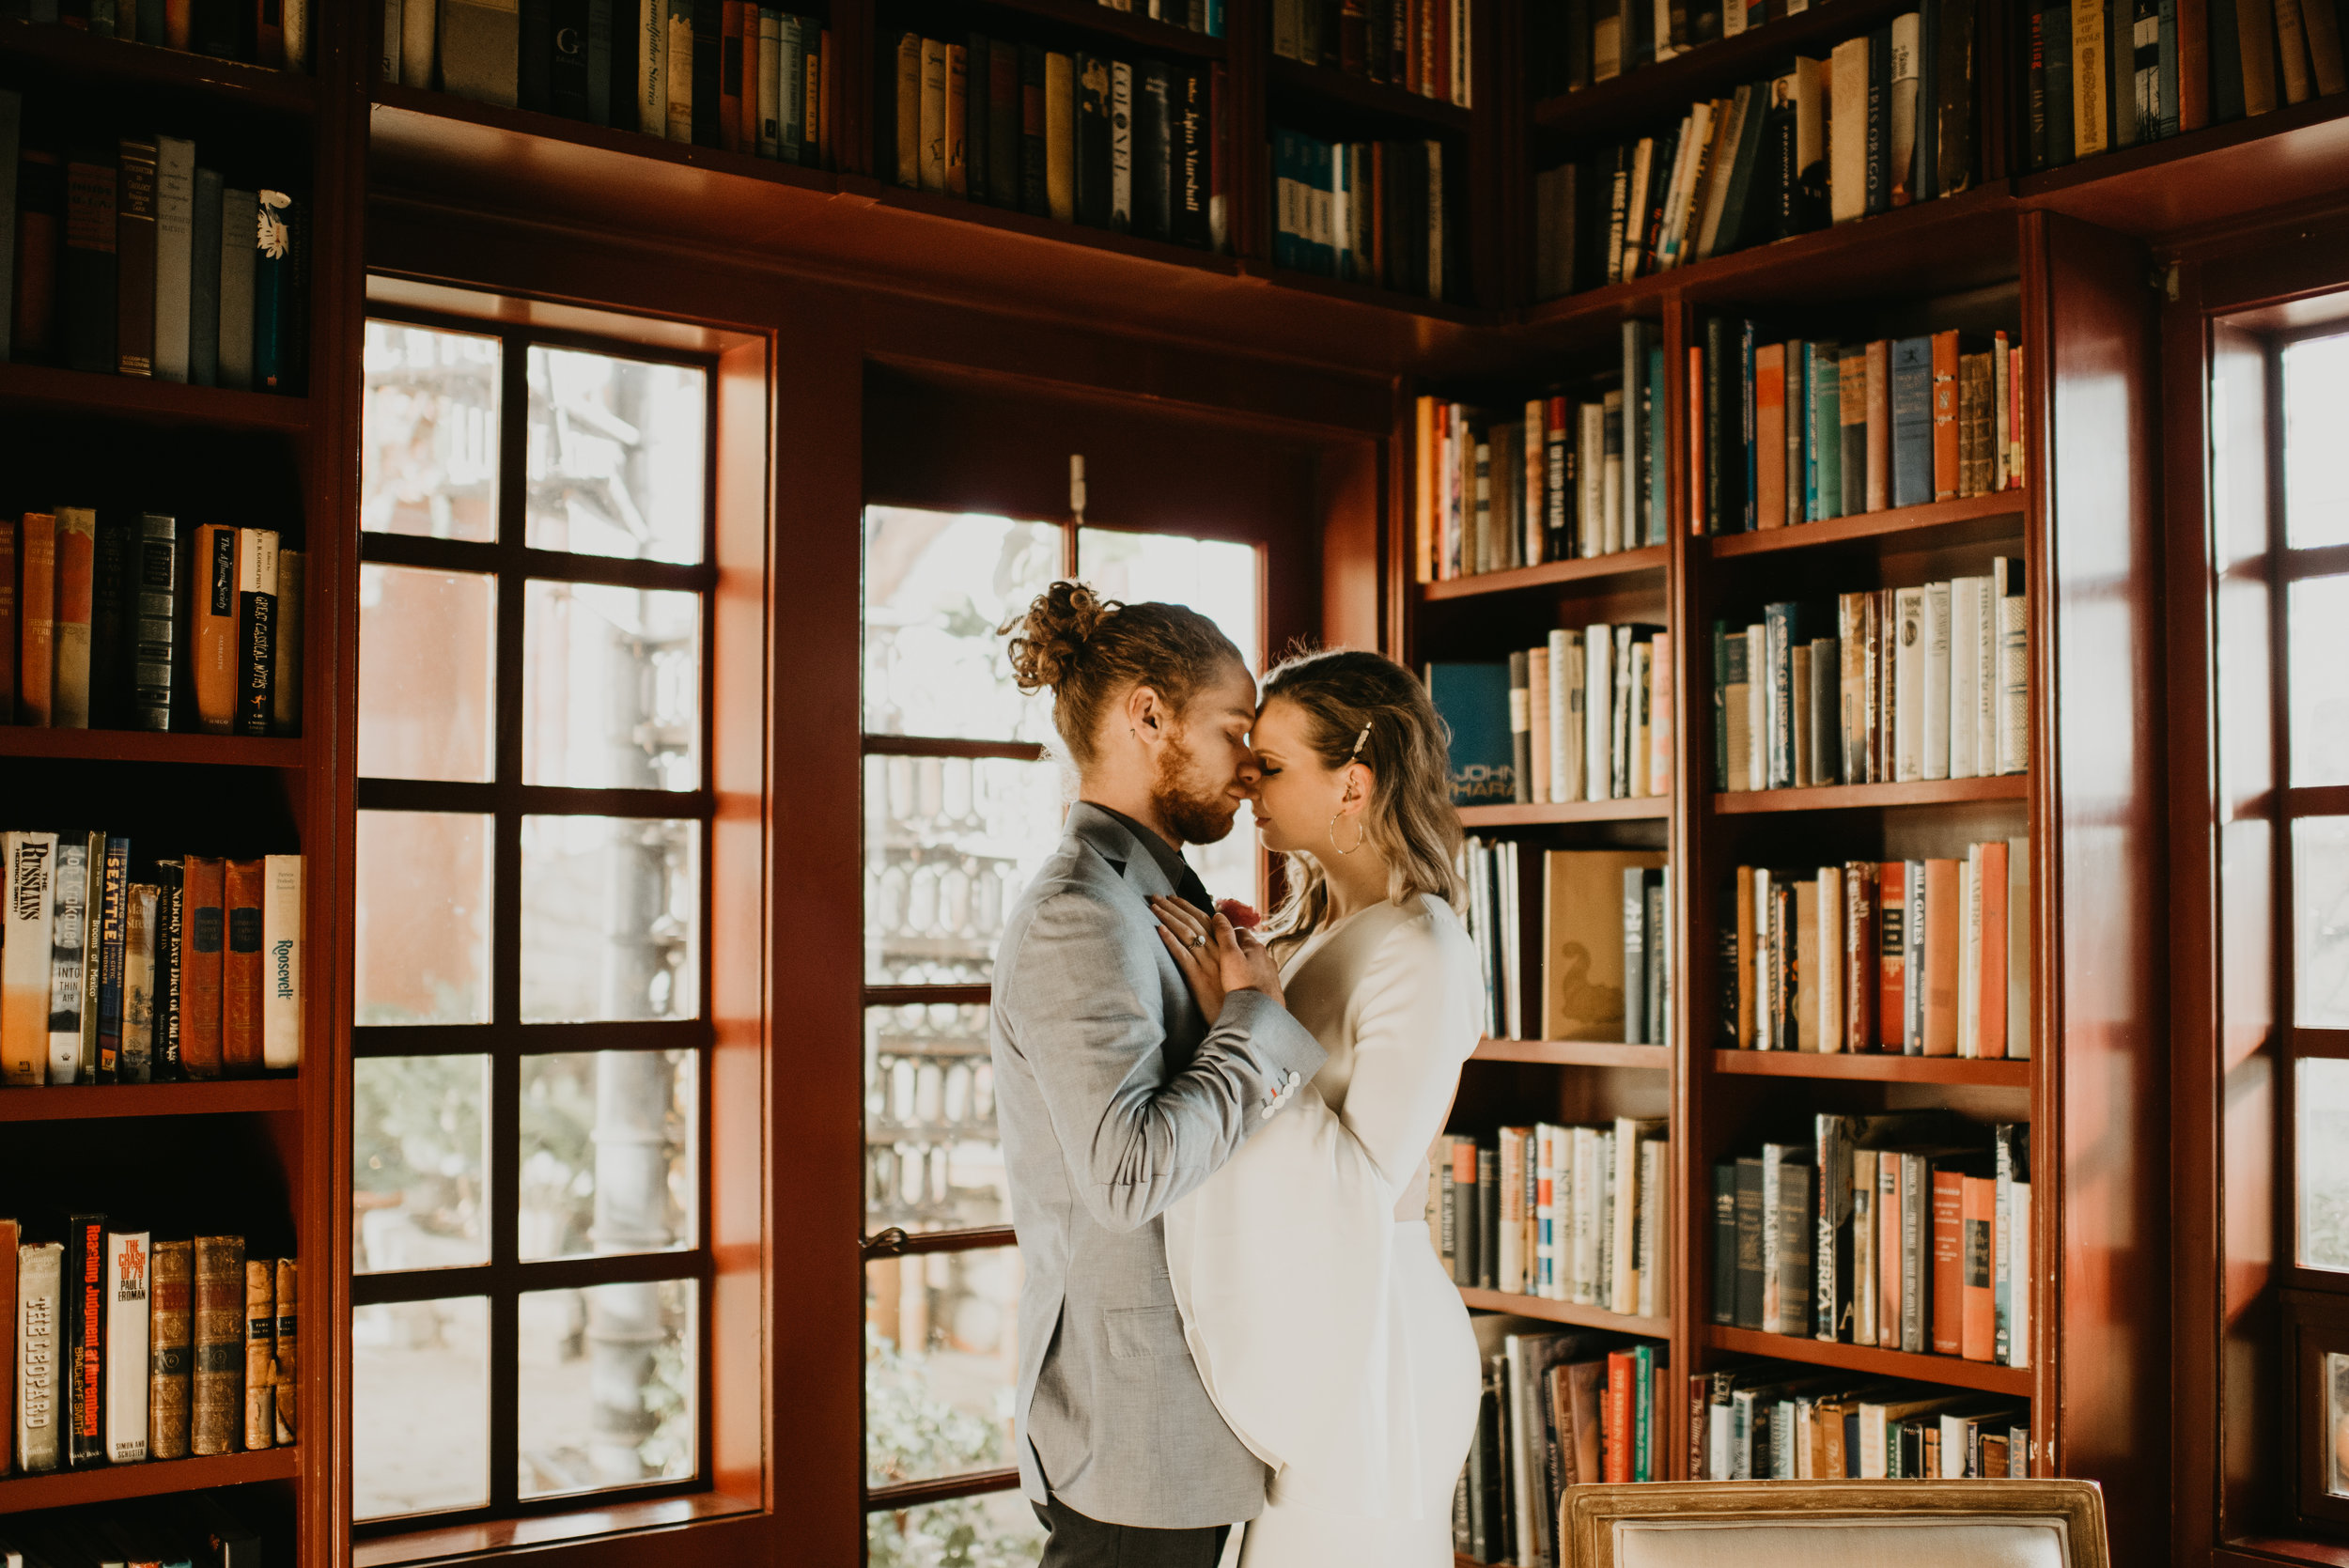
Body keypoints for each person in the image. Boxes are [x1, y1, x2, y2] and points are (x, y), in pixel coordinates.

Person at [990, 582, 1329, 1568]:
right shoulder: (1077, 910)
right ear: (1149, 715)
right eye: (1235, 731)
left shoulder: (1153, 890)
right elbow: (1127, 1170)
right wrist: (1255, 1024)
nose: (1251, 767)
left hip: (1184, 1405)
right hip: (1133, 1419)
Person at [1150, 645, 1484, 1568]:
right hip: (1309, 1324)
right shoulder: (1308, 932)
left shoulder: (1423, 949)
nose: (1246, 782)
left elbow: (1355, 1185)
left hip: (1370, 1345)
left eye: (1273, 764)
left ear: (1354, 783)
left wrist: (1252, 1018)